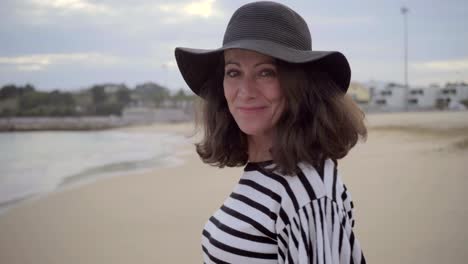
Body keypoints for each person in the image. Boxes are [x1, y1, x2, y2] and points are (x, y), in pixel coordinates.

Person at [174, 1, 367, 263]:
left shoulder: (307, 189)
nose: (245, 90)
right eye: (233, 72)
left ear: (299, 85)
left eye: (266, 72)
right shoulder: (269, 171)